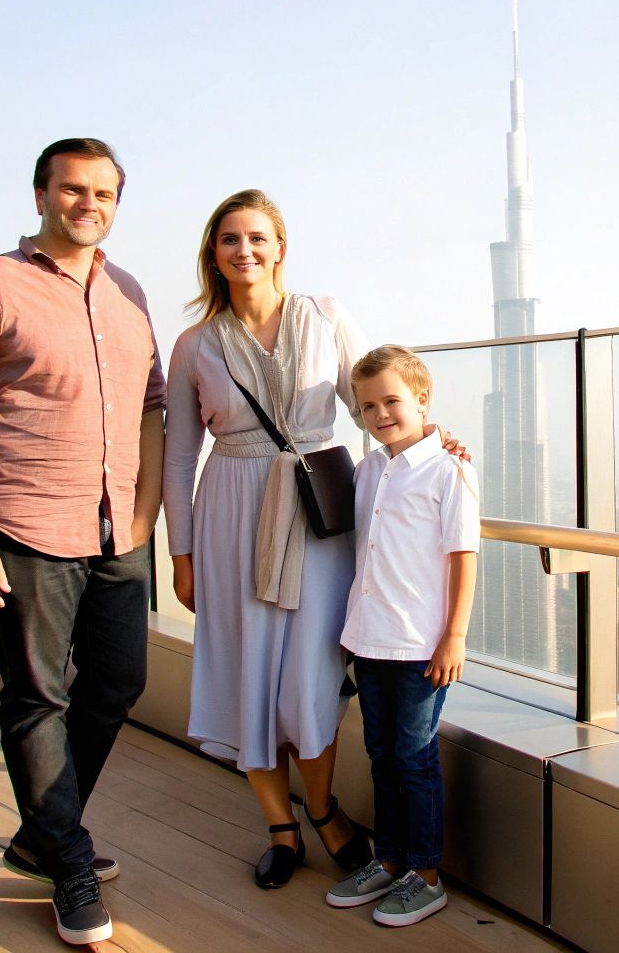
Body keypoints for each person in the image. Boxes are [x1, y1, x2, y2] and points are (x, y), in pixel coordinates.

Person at [0, 138, 163, 947]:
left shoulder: (128, 292)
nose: (89, 204)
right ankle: (69, 861)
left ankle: (44, 835)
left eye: (105, 193)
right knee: (37, 697)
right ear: (40, 194)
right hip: (21, 526)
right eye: (74, 189)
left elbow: (153, 408)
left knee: (118, 682)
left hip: (117, 530)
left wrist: (147, 512)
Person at [162, 188, 377, 889]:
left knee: (312, 680)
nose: (244, 250)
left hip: (316, 514)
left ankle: (320, 809)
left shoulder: (327, 317)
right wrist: (182, 553)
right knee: (248, 677)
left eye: (257, 238)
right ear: (213, 254)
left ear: (281, 247)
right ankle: (279, 829)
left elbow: (372, 407)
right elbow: (178, 454)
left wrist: (432, 448)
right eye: (229, 239)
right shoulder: (195, 344)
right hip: (230, 514)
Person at [322, 346, 479, 927]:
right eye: (368, 406)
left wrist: (454, 637)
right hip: (371, 640)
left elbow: (464, 557)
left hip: (421, 647)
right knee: (381, 754)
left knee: (415, 758)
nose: (381, 413)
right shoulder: (369, 471)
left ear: (422, 399)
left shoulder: (450, 469)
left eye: (392, 400)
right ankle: (387, 858)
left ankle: (427, 874)